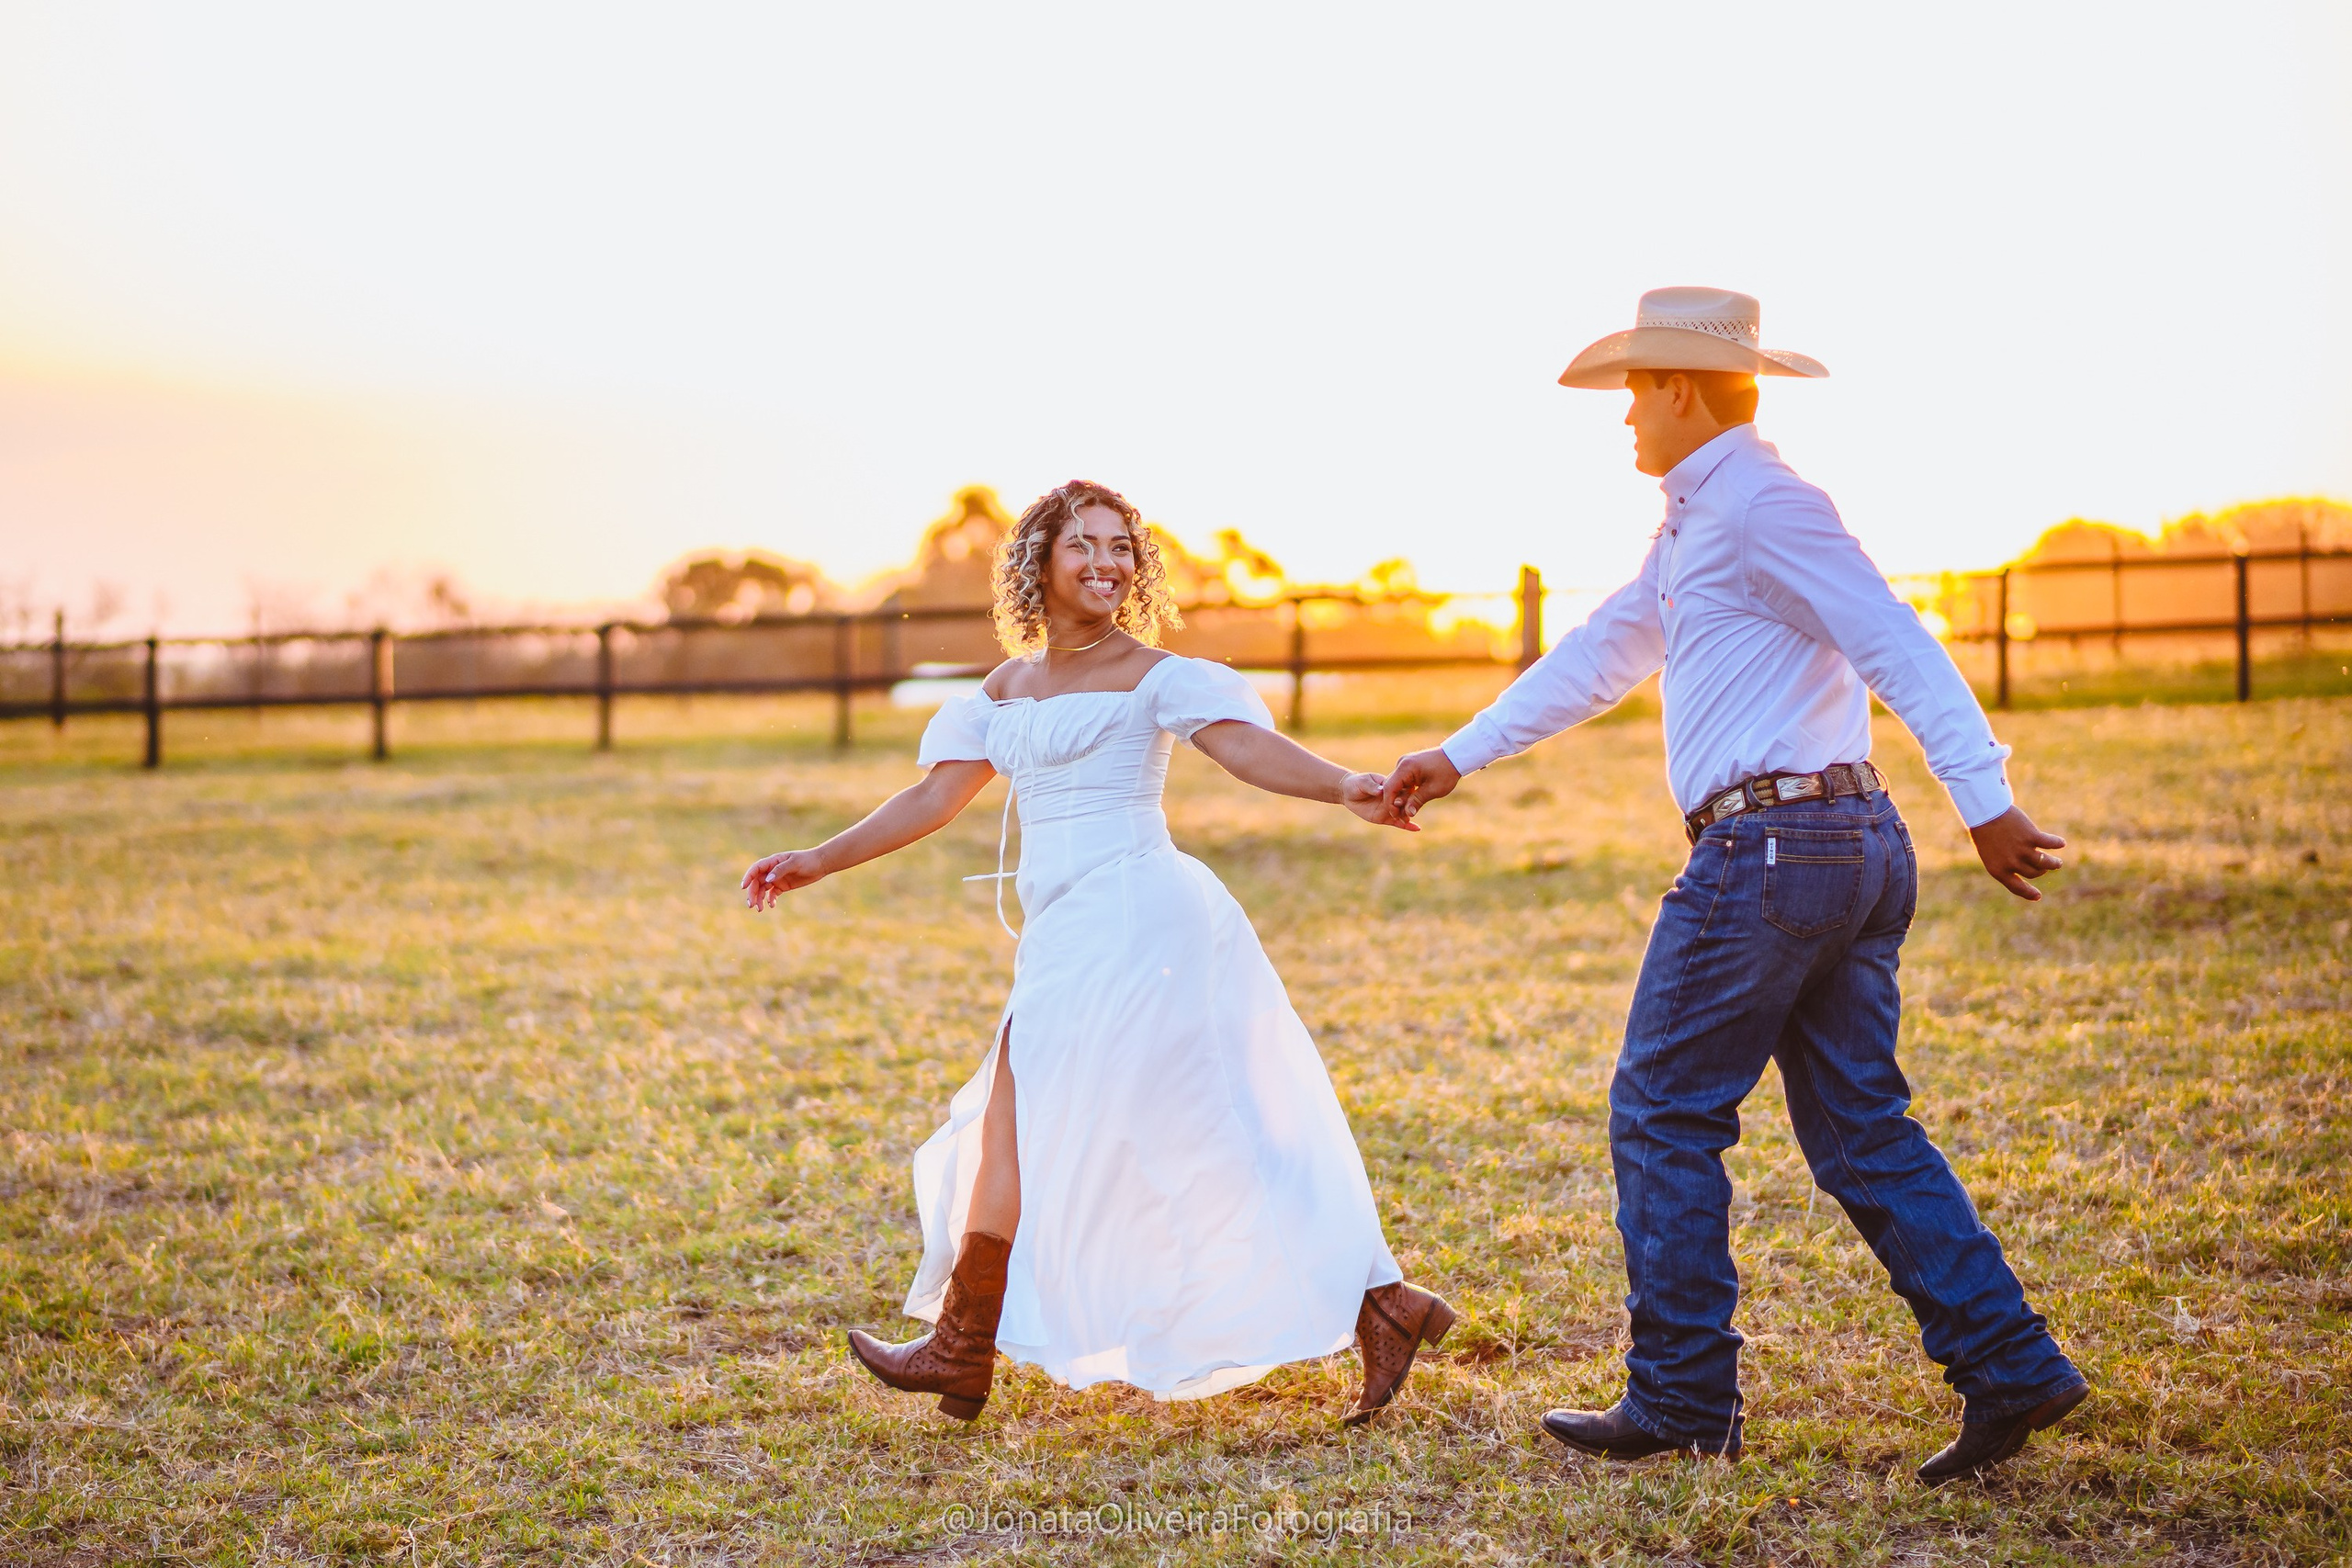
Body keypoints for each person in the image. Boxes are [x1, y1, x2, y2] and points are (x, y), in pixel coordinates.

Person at [1381, 288, 2088, 1484]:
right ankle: (2009, 1364)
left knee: (1661, 1109)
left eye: (1631, 398)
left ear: (1675, 388)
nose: (1622, 422)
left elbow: (1895, 640)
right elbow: (1604, 649)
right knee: (1863, 1129)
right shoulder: (1694, 522)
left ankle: (1682, 1396)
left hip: (1776, 848)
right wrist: (1458, 755)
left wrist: (1984, 795)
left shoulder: (1764, 505)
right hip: (1832, 843)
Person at [742, 479, 1453, 1424]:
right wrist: (816, 860)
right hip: (1064, 924)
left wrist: (1345, 787)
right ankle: (1383, 1304)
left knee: (1133, 1115)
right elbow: (929, 801)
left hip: (1139, 911)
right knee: (1039, 1117)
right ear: (1037, 564)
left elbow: (1246, 751)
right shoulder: (1004, 690)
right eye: (1082, 546)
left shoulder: (1160, 675)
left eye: (1120, 546)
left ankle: (965, 1348)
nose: (1105, 563)